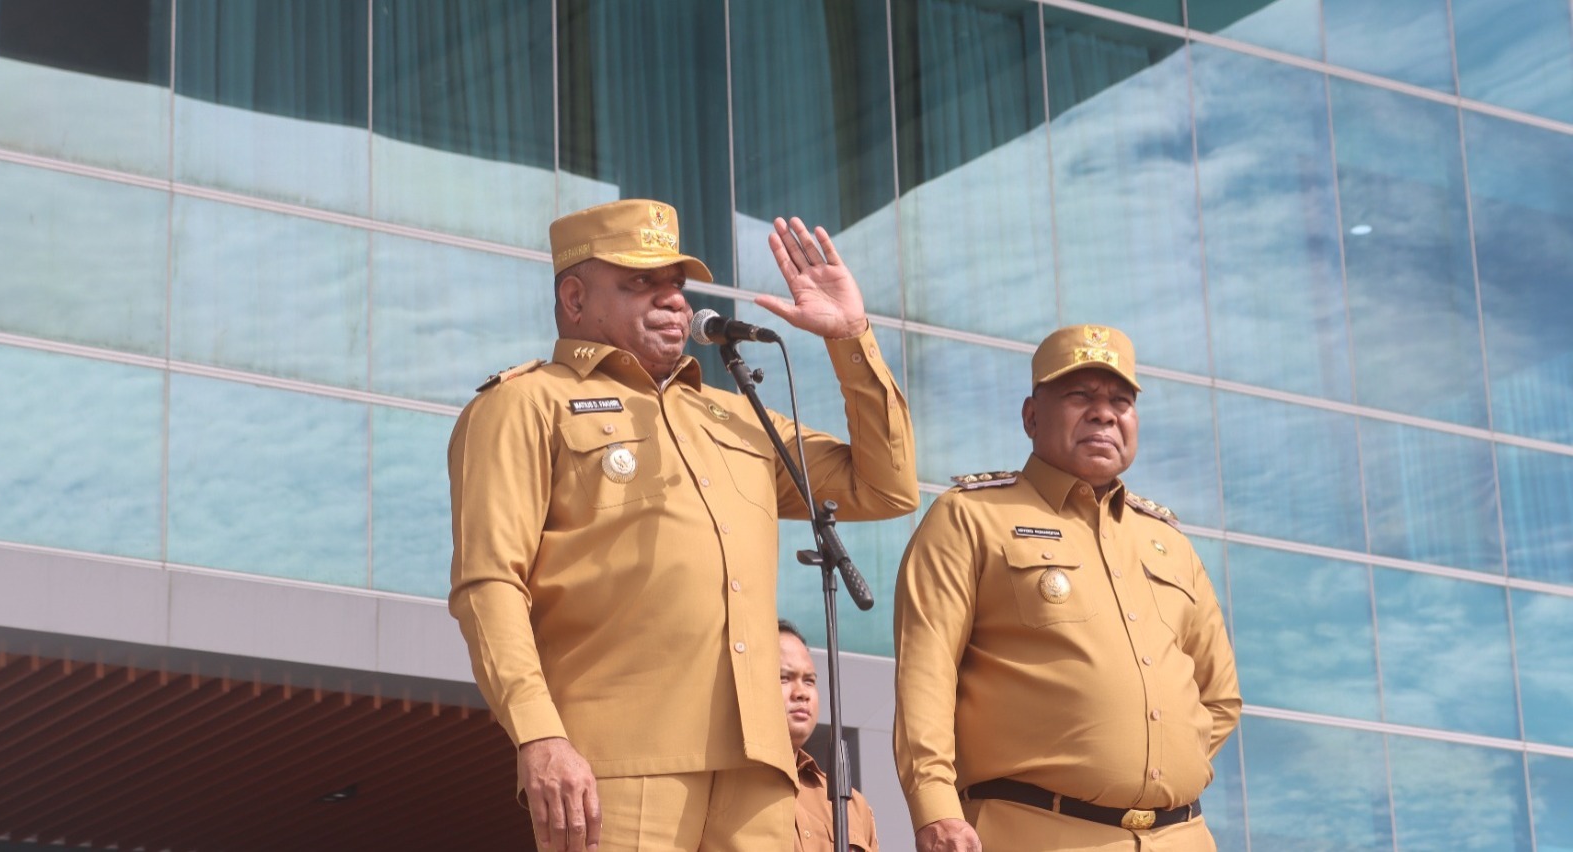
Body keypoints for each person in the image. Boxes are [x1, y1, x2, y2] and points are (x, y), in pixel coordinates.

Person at [448, 198, 918, 852]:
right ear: (576, 298)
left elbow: (885, 485)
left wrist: (849, 337)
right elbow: (490, 586)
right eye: (640, 282)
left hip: (756, 768)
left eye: (676, 283)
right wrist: (540, 735)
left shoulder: (735, 416)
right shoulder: (527, 404)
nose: (671, 300)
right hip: (619, 758)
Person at [892, 324, 1241, 852]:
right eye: (1081, 395)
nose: (1104, 412)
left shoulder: (1169, 541)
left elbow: (1219, 697)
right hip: (1032, 831)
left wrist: (1148, 764)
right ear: (1032, 416)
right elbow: (926, 675)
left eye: (1121, 400)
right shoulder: (971, 517)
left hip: (1182, 837)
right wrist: (934, 806)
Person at [779, 619, 879, 852]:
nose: (802, 693)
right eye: (784, 677)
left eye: (809, 681)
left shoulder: (853, 805)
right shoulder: (725, 790)